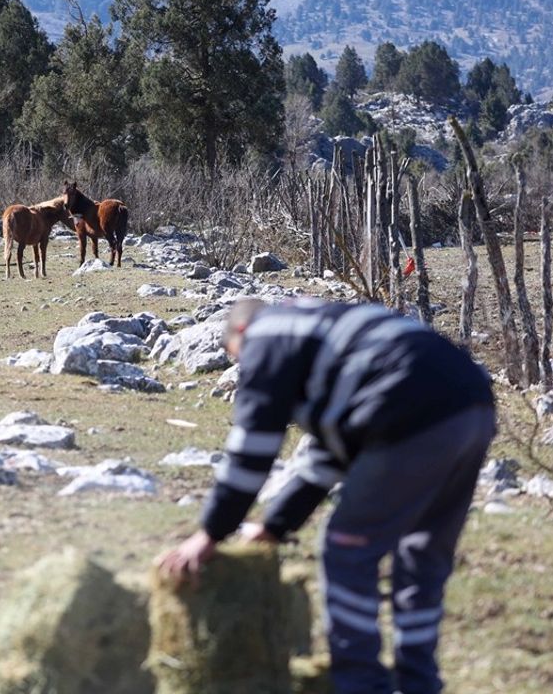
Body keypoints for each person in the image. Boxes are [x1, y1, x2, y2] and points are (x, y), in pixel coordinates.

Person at [157, 297, 496, 694]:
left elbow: (252, 448)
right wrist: (274, 527)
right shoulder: (319, 328)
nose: (246, 369)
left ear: (242, 333)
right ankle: (419, 683)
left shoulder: (267, 334)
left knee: (347, 550)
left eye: (239, 360)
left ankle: (361, 685)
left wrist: (210, 533)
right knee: (423, 556)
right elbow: (329, 456)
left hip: (407, 409)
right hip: (473, 405)